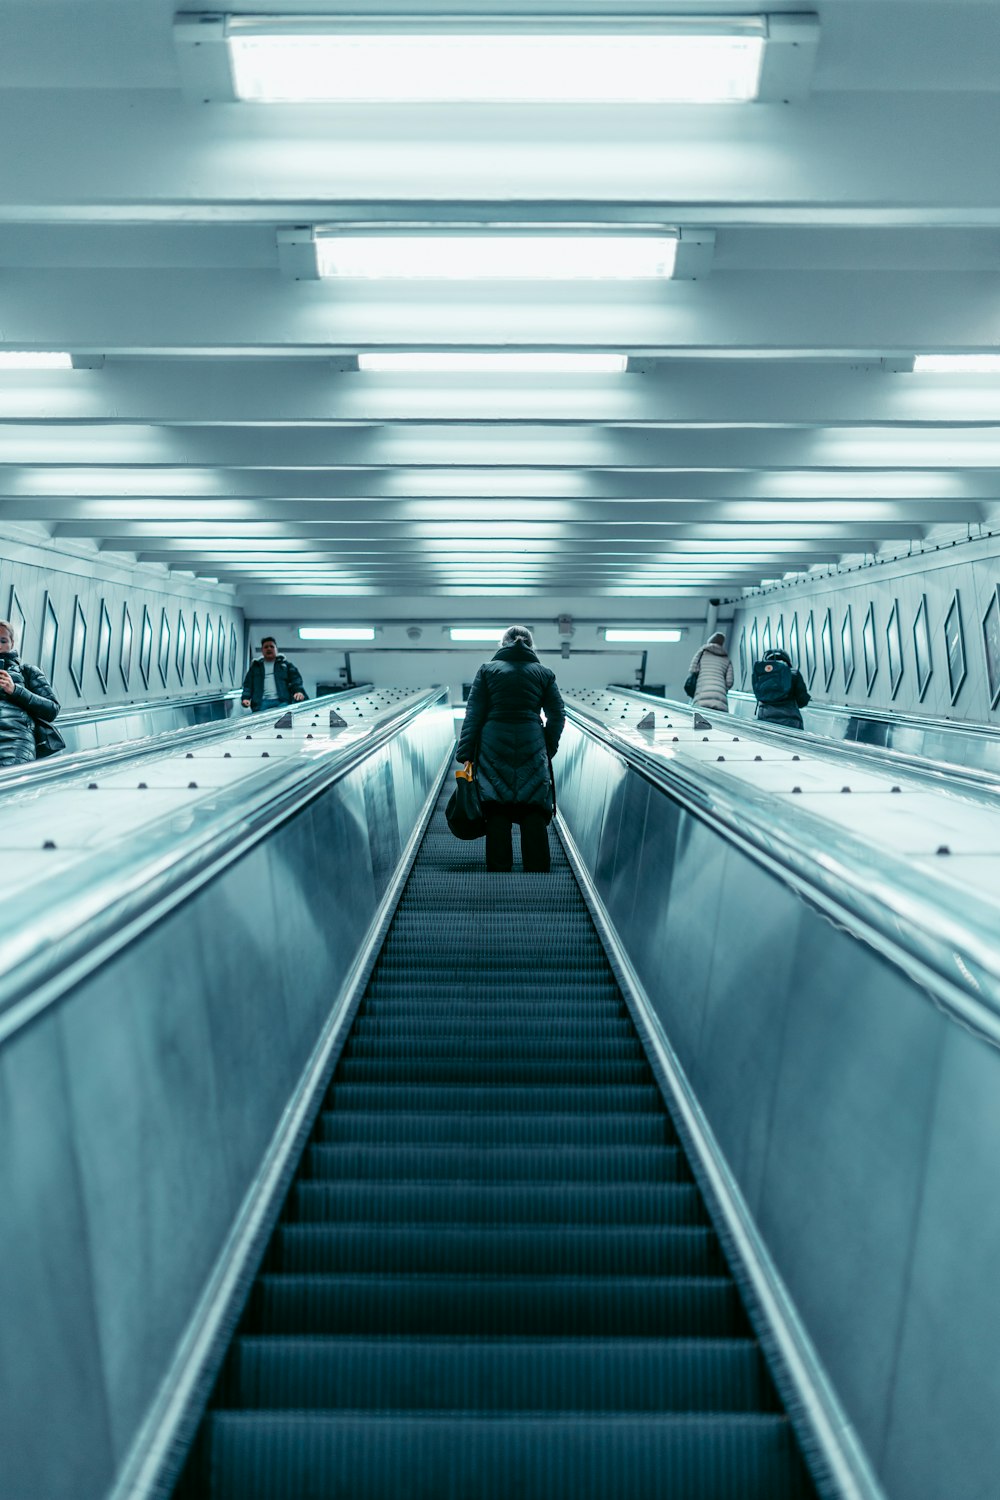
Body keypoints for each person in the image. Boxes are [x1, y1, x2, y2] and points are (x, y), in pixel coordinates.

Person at [456, 625, 565, 873]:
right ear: (531, 645)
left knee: (496, 805)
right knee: (534, 805)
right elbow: (557, 715)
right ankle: (538, 874)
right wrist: (547, 745)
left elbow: (473, 714)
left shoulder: (486, 671)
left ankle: (499, 873)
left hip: (493, 743)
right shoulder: (544, 673)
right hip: (532, 740)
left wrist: (466, 753)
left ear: (502, 644)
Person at [0, 617, 61, 767]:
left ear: (12, 643)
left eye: (3, 641)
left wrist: (15, 691)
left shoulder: (27, 672)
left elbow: (52, 710)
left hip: (16, 744)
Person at [241, 635, 306, 712]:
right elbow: (248, 685)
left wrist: (298, 691)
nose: (269, 648)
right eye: (266, 647)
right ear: (262, 650)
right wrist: (245, 698)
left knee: (283, 722)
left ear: (276, 650)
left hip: (282, 702)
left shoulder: (286, 665)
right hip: (261, 703)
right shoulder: (255, 668)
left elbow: (295, 680)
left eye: (272, 646)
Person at [752, 647, 811, 729]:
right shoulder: (793, 674)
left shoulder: (761, 675)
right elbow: (802, 701)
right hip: (791, 722)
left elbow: (759, 696)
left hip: (765, 720)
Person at [687, 630, 734, 713]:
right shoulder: (726, 659)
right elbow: (729, 682)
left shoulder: (702, 652)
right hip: (720, 698)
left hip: (702, 695)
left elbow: (693, 669)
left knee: (699, 721)